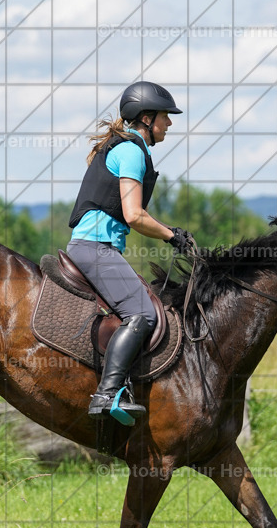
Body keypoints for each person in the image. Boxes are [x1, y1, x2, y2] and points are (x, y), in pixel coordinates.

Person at [66, 80, 194, 423]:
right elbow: (134, 214)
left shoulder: (125, 147)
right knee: (143, 313)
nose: (169, 124)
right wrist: (172, 236)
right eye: (166, 117)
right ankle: (108, 394)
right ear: (148, 118)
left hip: (96, 246)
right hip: (94, 248)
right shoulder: (132, 151)